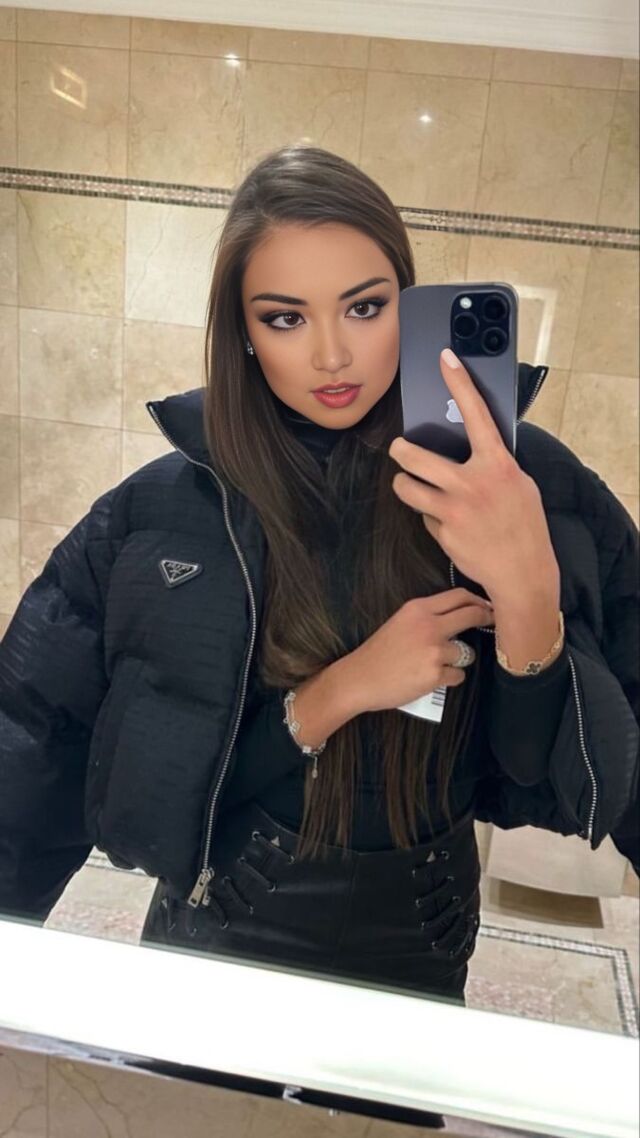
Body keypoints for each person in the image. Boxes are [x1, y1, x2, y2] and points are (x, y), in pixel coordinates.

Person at [0, 146, 638, 1015]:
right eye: (285, 318)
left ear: (409, 305)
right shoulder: (163, 512)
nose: (332, 355)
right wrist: (339, 693)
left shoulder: (533, 489)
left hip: (424, 933)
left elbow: (538, 772)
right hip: (219, 929)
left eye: (365, 308)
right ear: (242, 331)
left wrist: (529, 591)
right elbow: (34, 750)